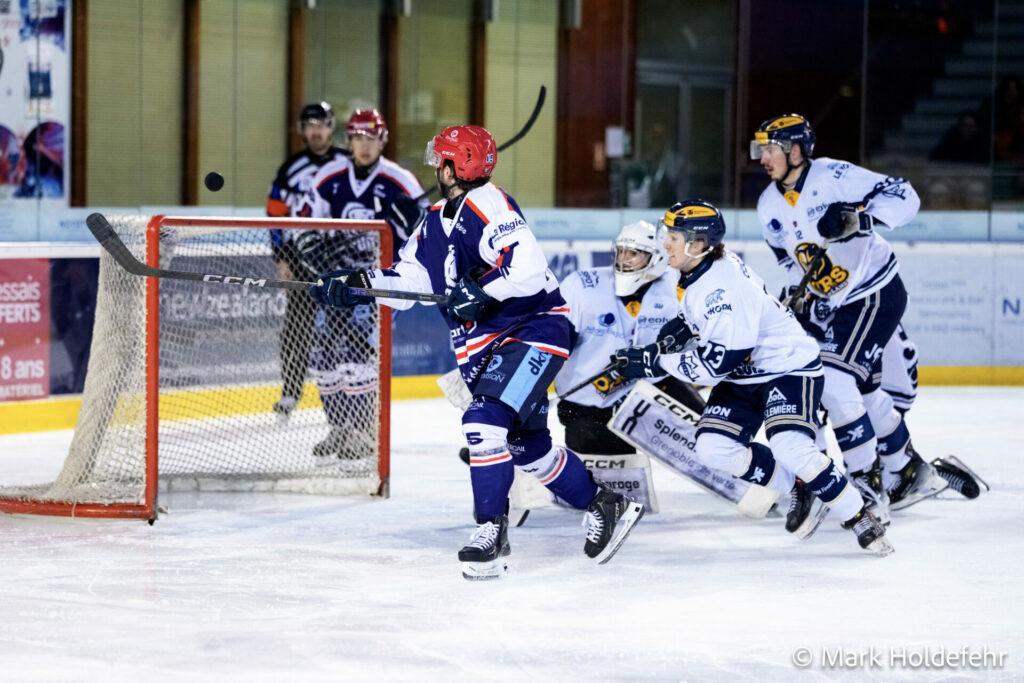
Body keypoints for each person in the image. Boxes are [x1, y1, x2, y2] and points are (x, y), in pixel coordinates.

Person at [310, 124, 644, 580]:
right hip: (490, 346)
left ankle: (491, 532)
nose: (435, 166)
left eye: (441, 159)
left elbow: (525, 268)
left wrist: (482, 289)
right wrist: (360, 285)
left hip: (532, 332)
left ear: (457, 164)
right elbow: (410, 284)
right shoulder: (433, 220)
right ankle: (608, 504)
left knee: (482, 422)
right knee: (527, 449)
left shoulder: (488, 204)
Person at [613, 200, 892, 555]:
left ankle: (860, 518)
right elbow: (698, 323)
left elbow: (717, 364)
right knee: (714, 449)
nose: (665, 243)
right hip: (745, 371)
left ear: (698, 244)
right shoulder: (691, 269)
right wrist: (674, 335)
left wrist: (655, 361)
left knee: (791, 446)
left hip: (786, 367)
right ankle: (799, 486)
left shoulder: (721, 288)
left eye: (673, 236)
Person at [750, 113, 941, 523]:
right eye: (760, 149)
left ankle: (867, 486)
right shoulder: (768, 205)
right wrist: (804, 294)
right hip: (834, 304)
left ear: (795, 150)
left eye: (769, 148)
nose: (762, 157)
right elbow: (789, 262)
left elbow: (907, 197)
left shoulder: (835, 175)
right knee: (860, 390)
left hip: (874, 293)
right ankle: (906, 468)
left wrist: (860, 219)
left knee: (835, 380)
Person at [295, 109, 430, 459]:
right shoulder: (328, 177)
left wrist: (413, 220)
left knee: (359, 356)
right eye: (358, 138)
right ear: (349, 140)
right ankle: (339, 430)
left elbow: (428, 236)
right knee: (323, 357)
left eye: (371, 138)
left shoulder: (401, 182)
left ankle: (365, 432)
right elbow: (306, 229)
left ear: (383, 140)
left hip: (379, 284)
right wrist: (317, 258)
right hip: (338, 285)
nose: (365, 145)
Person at [555, 219, 704, 455]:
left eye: (633, 253)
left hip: (652, 390)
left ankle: (747, 475)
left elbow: (702, 348)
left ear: (655, 257)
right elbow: (551, 346)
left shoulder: (678, 290)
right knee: (612, 470)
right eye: (621, 251)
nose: (623, 259)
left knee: (711, 432)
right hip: (588, 404)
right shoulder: (582, 286)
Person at [266, 101, 350, 418]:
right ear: (303, 130)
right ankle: (290, 393)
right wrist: (281, 259)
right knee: (296, 329)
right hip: (301, 263)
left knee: (346, 329)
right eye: (309, 123)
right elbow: (275, 217)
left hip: (343, 261)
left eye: (321, 123)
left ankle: (350, 394)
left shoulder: (349, 162)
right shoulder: (290, 169)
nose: (316, 130)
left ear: (331, 127)